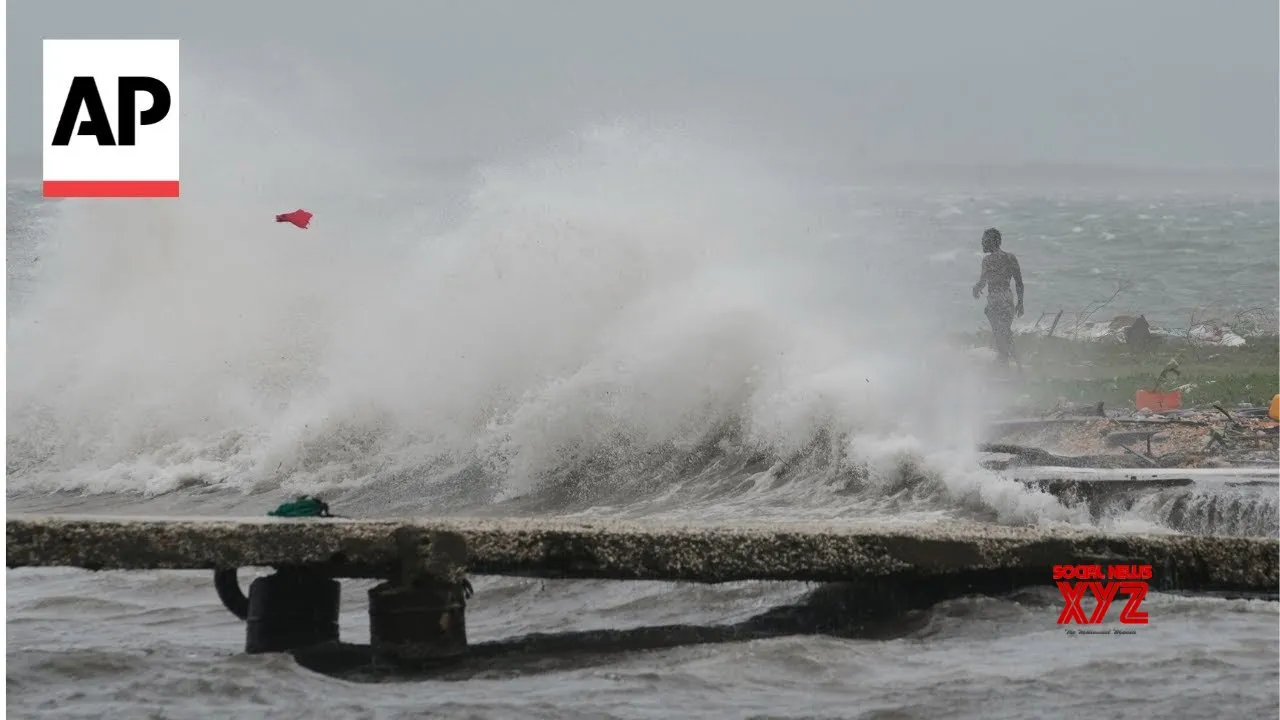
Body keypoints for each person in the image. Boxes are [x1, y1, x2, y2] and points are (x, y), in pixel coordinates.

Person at [971, 228, 1024, 365]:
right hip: (1007, 297)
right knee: (1005, 331)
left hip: (994, 299)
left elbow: (984, 280)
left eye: (984, 241)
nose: (982, 243)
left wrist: (976, 289)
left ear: (991, 242)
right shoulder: (1010, 257)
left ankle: (1005, 361)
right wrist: (1020, 303)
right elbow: (1019, 282)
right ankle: (1015, 362)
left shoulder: (988, 260)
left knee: (999, 333)